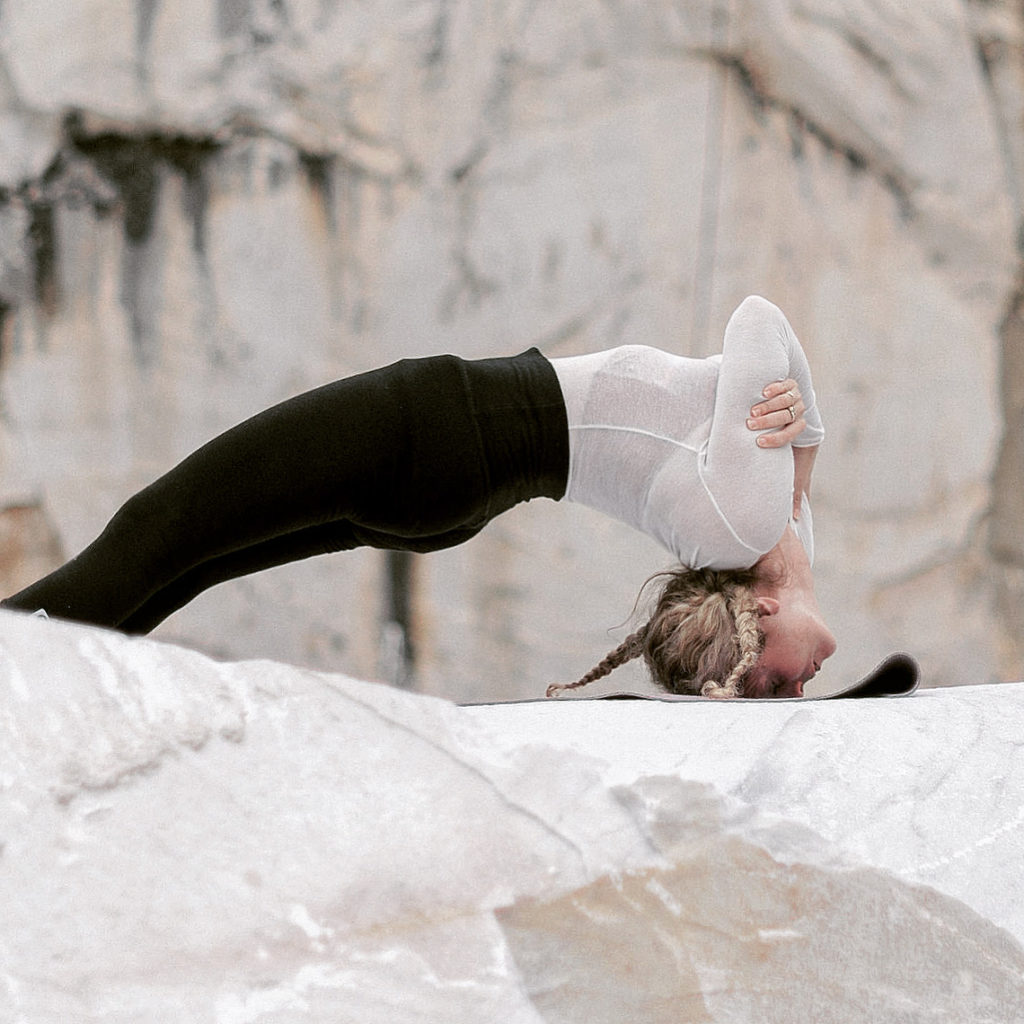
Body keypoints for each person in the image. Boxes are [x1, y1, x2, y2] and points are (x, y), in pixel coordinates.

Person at [2, 295, 834, 698]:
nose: (801, 686)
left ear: (755, 618)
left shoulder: (750, 518)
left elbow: (759, 321)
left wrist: (795, 444)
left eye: (773, 685)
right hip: (456, 483)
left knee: (164, 527)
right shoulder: (776, 524)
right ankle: (38, 689)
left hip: (442, 432)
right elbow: (768, 349)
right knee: (188, 565)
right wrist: (801, 440)